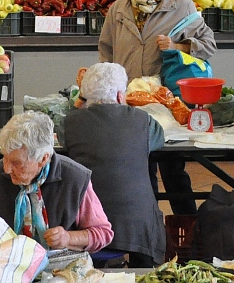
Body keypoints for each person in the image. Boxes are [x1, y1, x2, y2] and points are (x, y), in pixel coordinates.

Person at [98, 0, 216, 215]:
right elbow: (105, 52)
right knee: (140, 171)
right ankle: (148, 227)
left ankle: (187, 224)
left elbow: (209, 45)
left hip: (168, 103)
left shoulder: (181, 5)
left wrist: (178, 46)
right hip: (131, 103)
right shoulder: (118, 10)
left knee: (173, 169)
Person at [0, 112, 113, 251]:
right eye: (5, 158)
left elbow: (103, 233)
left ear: (43, 159)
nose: (7, 169)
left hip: (58, 268)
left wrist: (68, 238)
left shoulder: (74, 179)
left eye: (16, 162)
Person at [64, 63, 166, 266]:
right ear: (120, 96)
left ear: (84, 97)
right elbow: (159, 139)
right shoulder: (143, 121)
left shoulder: (70, 122)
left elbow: (66, 128)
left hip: (85, 227)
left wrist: (81, 101)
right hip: (137, 230)